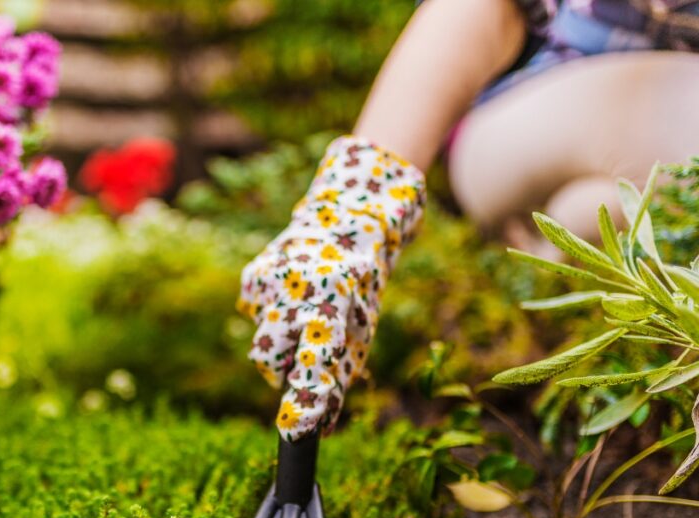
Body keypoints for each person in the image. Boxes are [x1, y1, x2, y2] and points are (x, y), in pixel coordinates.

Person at [239, 0, 699, 442]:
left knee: (598, 210)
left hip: (645, 162)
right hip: (537, 113)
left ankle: (563, 243)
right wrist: (352, 210)